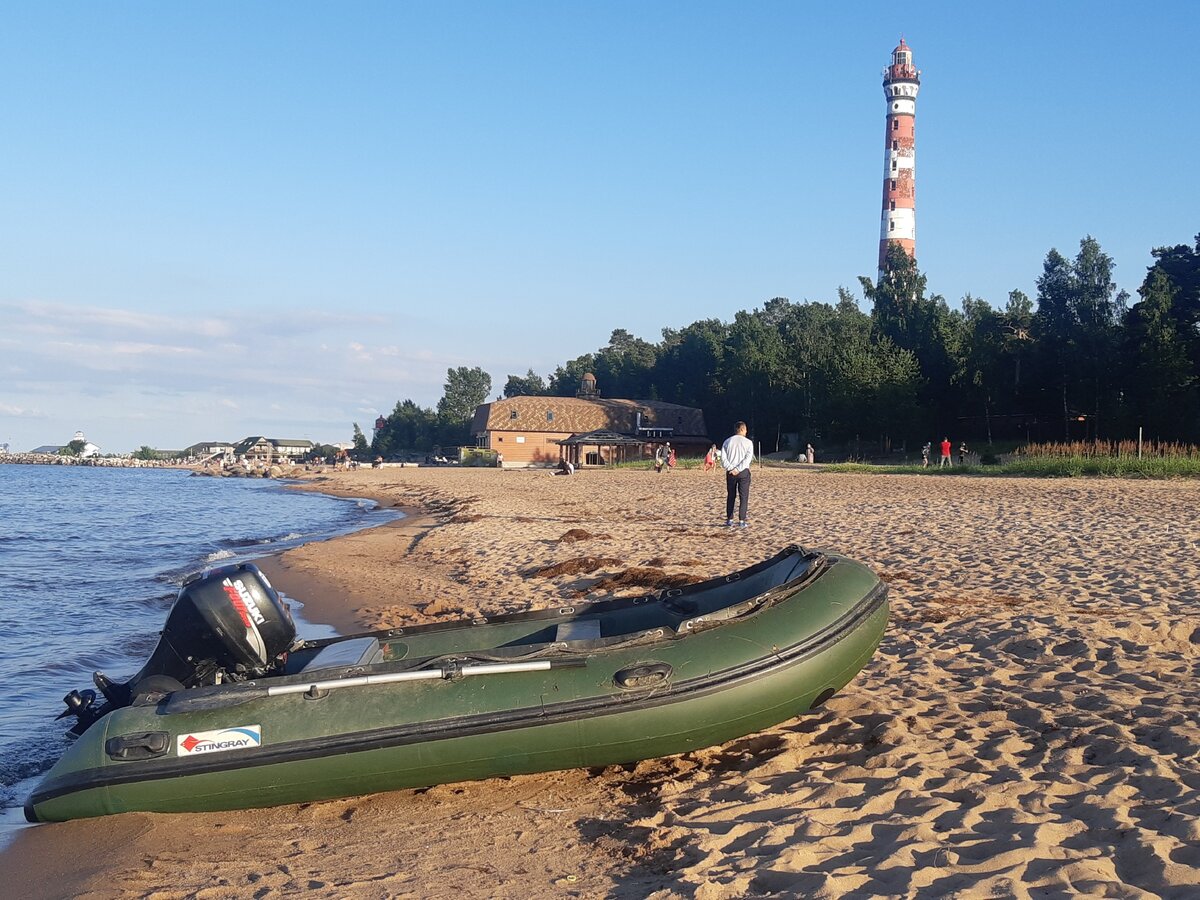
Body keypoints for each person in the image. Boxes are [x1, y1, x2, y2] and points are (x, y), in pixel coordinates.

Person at [721, 421, 755, 527]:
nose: (746, 431)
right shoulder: (748, 442)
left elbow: (723, 459)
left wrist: (731, 468)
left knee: (731, 496)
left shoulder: (727, 442)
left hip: (730, 472)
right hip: (743, 472)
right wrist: (738, 469)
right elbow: (747, 459)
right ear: (742, 429)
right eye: (745, 430)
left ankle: (729, 519)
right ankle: (741, 520)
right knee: (743, 496)